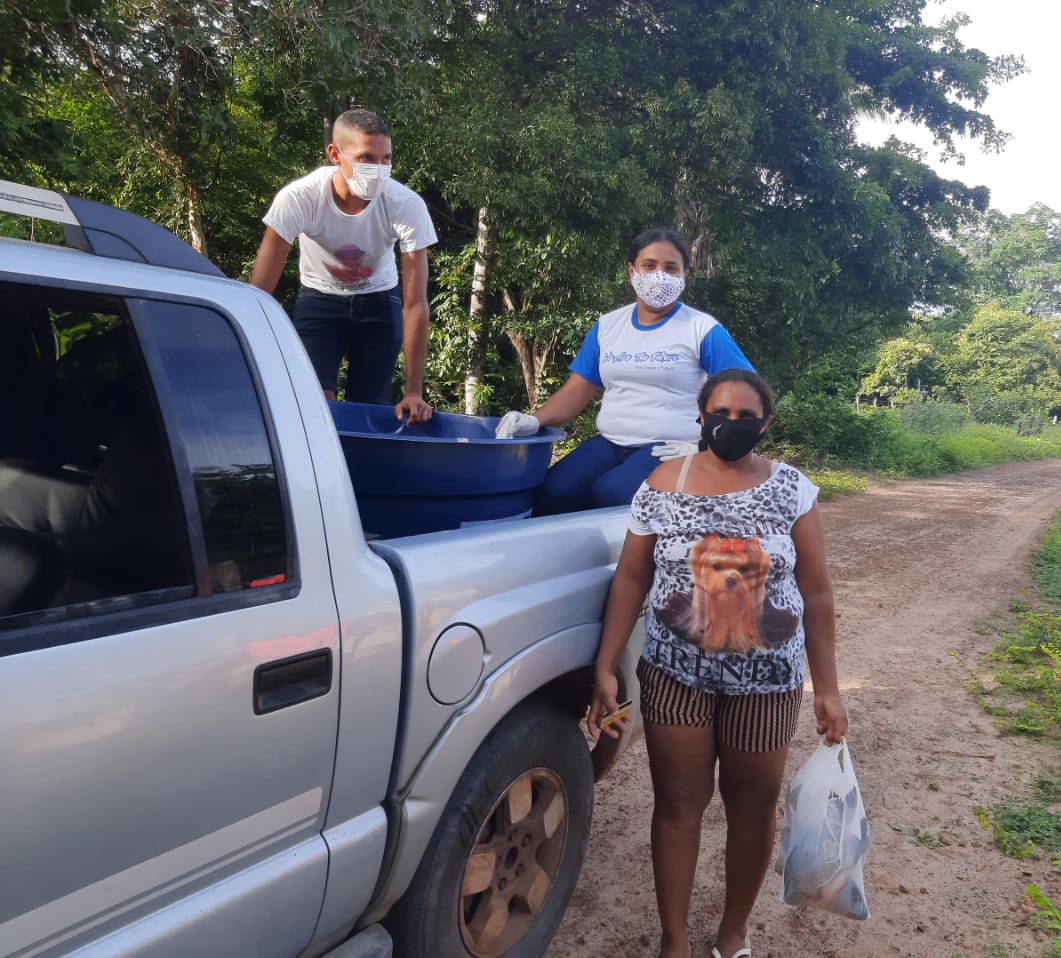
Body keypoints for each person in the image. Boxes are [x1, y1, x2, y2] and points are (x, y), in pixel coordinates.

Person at [587, 368, 849, 958]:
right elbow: (632, 579)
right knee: (678, 805)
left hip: (768, 683)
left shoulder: (792, 489)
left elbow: (817, 592)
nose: (732, 426)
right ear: (700, 417)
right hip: (675, 677)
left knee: (752, 807)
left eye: (746, 417)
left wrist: (828, 689)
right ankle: (674, 939)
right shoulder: (661, 483)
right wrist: (607, 664)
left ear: (766, 423)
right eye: (720, 414)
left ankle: (733, 933)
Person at [493, 228, 753, 514]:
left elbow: (747, 394)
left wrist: (709, 448)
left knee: (611, 495)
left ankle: (625, 559)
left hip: (671, 447)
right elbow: (575, 391)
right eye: (649, 265)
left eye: (670, 268)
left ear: (684, 275)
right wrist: (533, 419)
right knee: (554, 490)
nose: (659, 275)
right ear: (632, 271)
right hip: (610, 442)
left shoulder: (701, 329)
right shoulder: (607, 327)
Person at [249, 109, 436, 424]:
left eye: (385, 159)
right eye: (366, 158)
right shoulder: (300, 198)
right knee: (315, 409)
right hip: (319, 298)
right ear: (335, 154)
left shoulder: (405, 205)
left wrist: (414, 390)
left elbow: (415, 303)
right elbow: (258, 293)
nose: (378, 170)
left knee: (368, 411)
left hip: (379, 298)